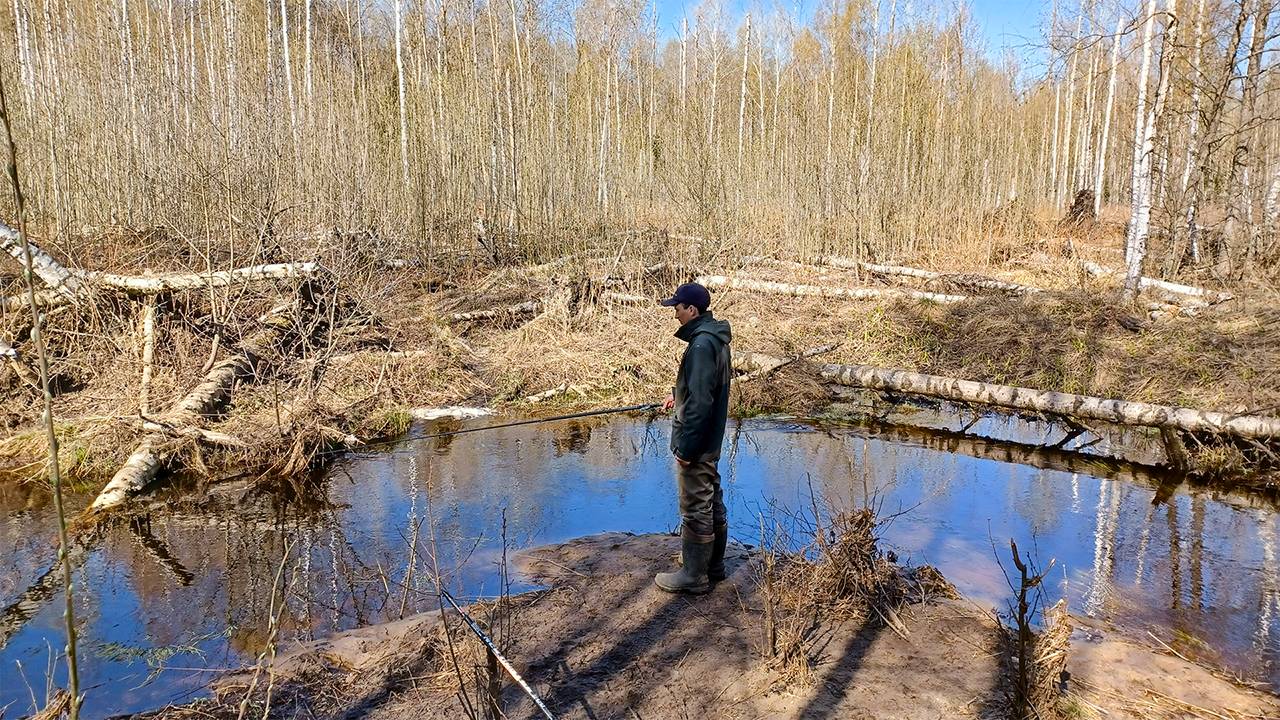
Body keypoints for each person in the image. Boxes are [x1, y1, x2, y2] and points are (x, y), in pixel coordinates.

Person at [655, 282, 732, 594]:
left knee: (695, 504)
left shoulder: (700, 345)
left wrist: (685, 448)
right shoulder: (714, 338)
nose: (675, 314)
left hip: (698, 442)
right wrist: (679, 395)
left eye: (677, 308)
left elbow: (701, 404)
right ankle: (713, 566)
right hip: (710, 439)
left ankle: (694, 575)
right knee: (711, 497)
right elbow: (703, 388)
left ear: (692, 310)